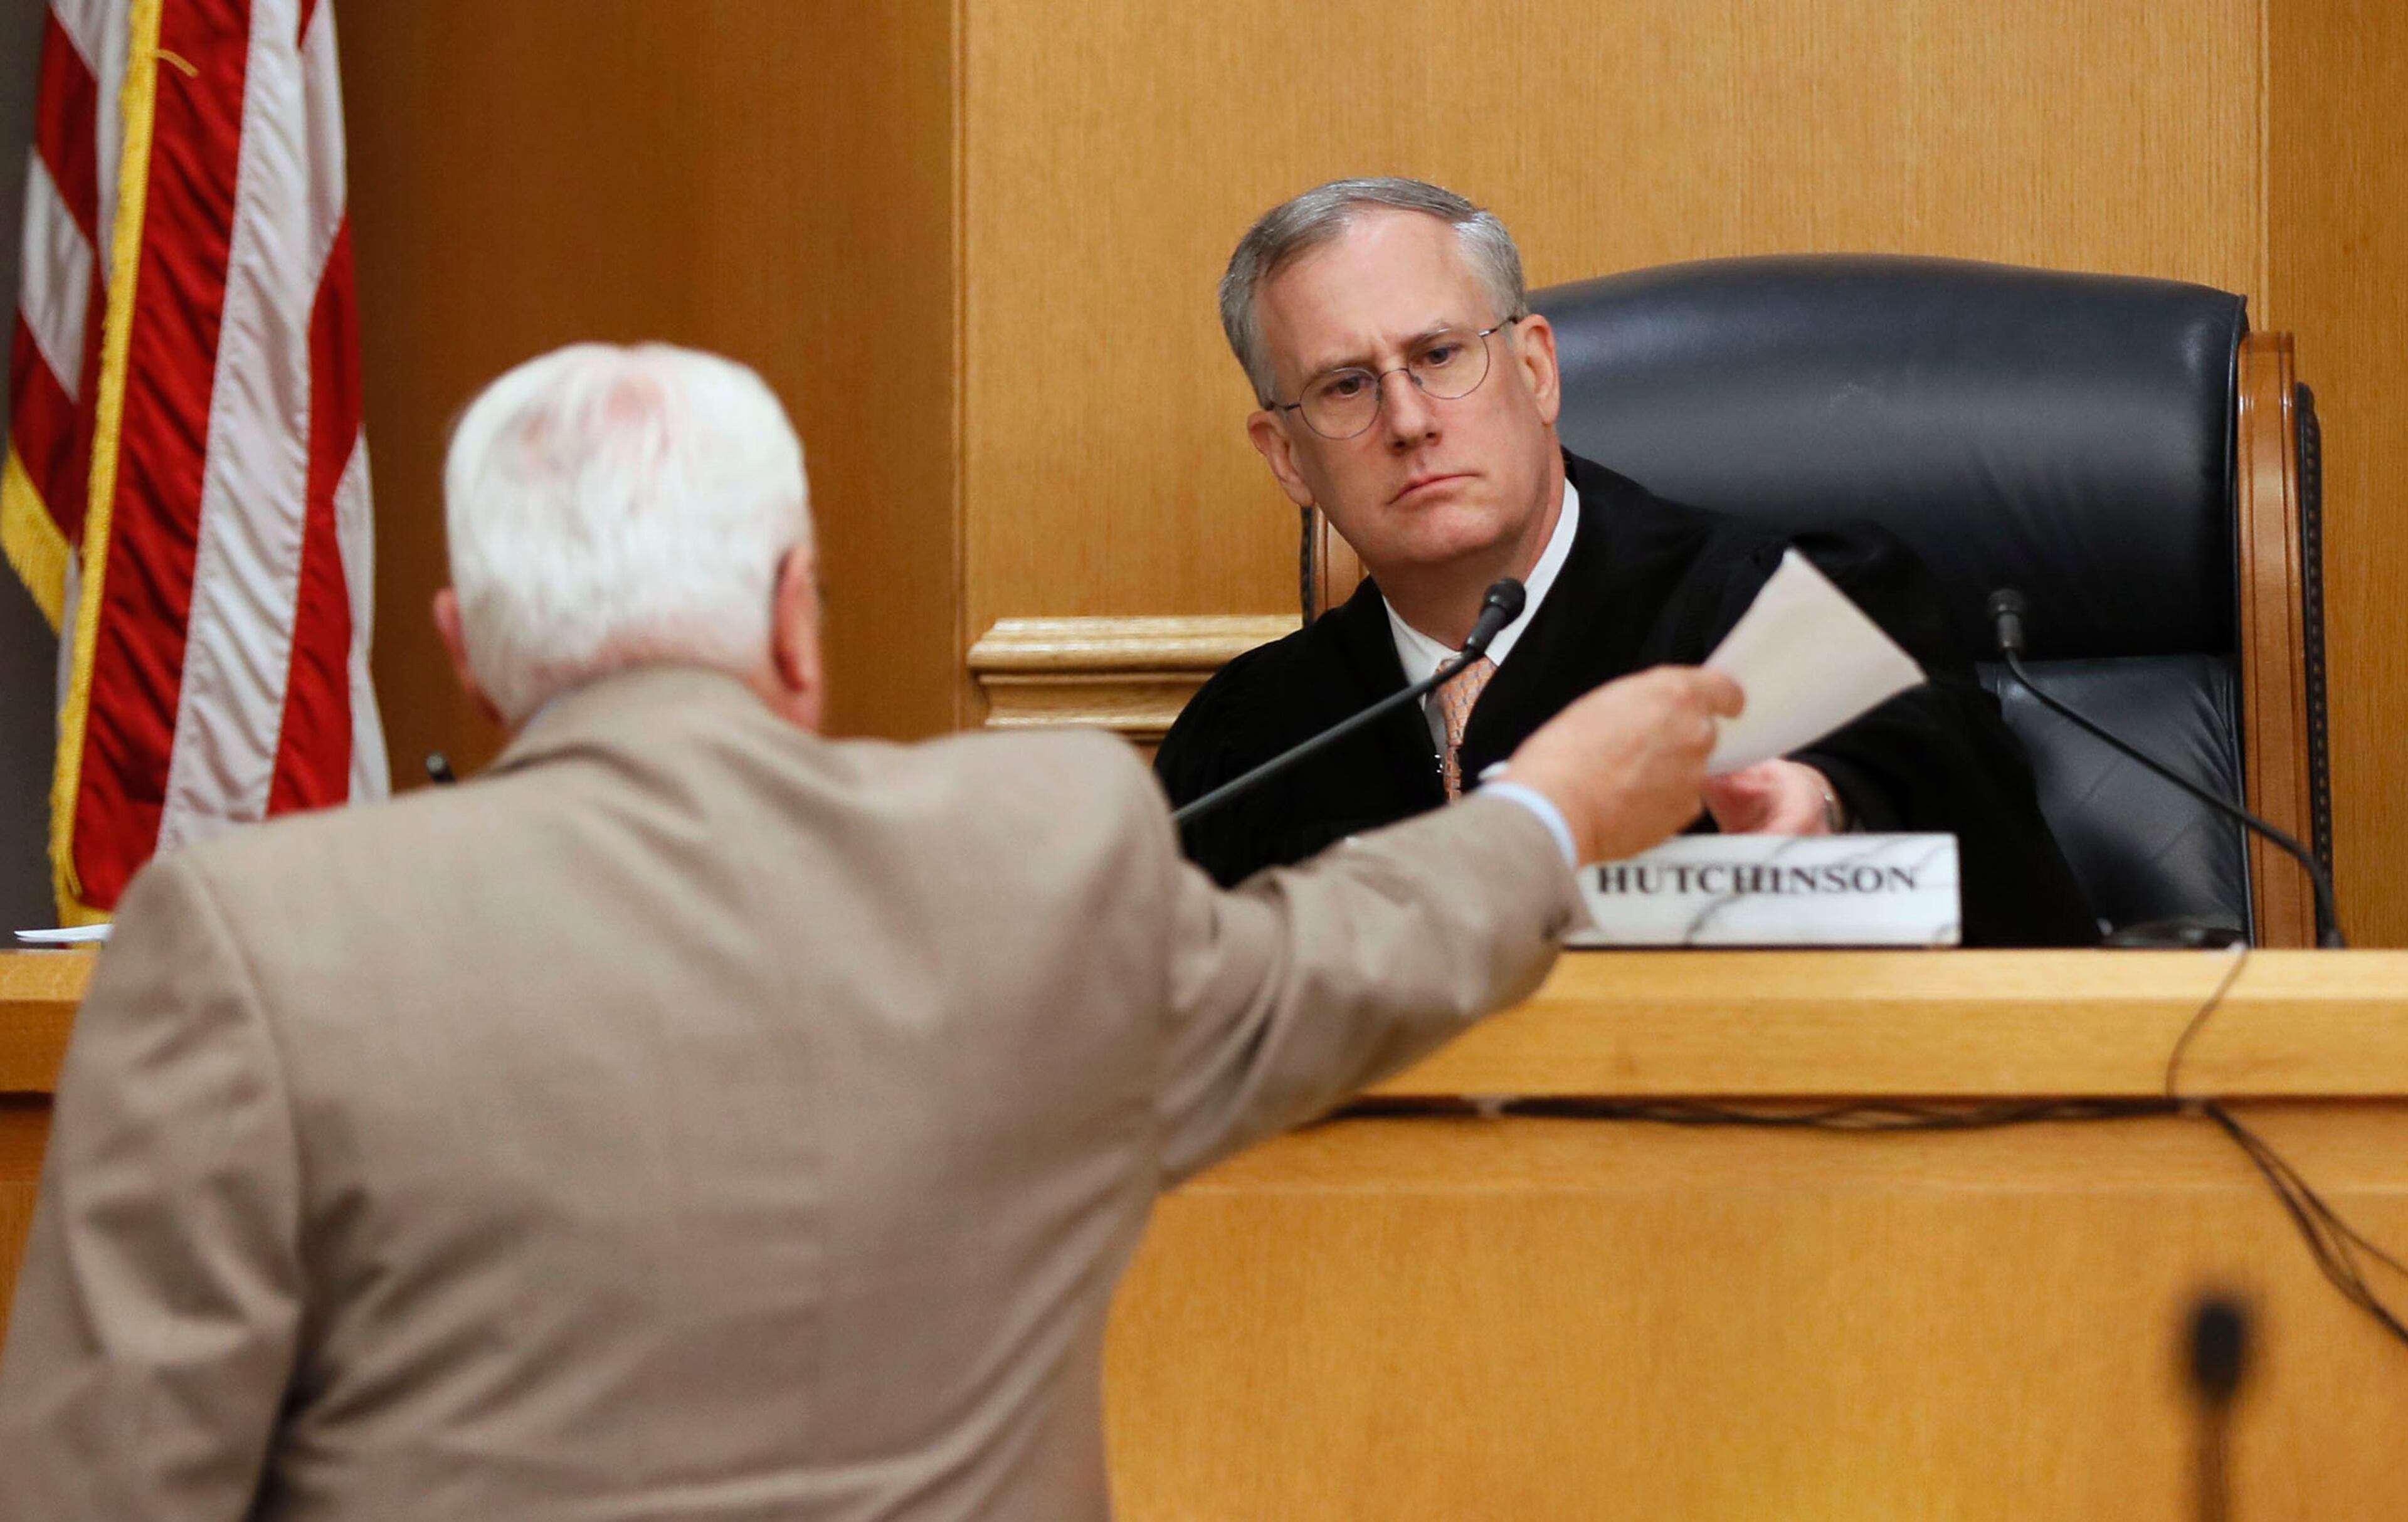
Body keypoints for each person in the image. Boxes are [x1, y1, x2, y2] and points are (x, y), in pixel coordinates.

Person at [0, 343, 1740, 1521]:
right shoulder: (1033, 853)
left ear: (472, 648)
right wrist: (1554, 806)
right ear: (790, 616)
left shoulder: (244, 935)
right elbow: (1354, 955)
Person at [1154, 176, 2099, 948]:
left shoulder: (1791, 609)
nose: (1407, 421)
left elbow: (1982, 845)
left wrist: (1824, 811)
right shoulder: (1250, 741)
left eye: (1441, 355)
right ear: (1287, 458)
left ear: (1535, 370)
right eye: (1345, 386)